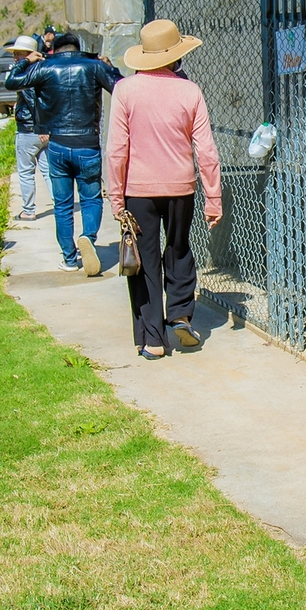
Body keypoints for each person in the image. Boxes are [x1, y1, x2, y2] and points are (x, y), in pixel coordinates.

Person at [107, 19, 221, 359]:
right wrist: (213, 198)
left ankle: (154, 340)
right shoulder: (190, 91)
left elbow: (116, 150)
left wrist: (116, 196)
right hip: (181, 187)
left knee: (143, 260)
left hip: (137, 189)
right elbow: (207, 151)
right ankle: (181, 313)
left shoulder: (125, 91)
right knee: (179, 247)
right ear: (175, 56)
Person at [8, 30, 121, 272]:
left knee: (63, 205)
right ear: (77, 48)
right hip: (87, 142)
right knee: (91, 198)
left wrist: (27, 61)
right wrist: (109, 67)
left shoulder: (44, 67)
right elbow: (122, 88)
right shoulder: (92, 66)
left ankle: (69, 258)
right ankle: (88, 238)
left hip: (57, 143)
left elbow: (11, 82)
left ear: (54, 50)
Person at [6, 34, 49, 222]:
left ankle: (28, 210)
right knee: (48, 170)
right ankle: (61, 203)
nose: (16, 58)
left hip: (29, 129)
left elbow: (32, 100)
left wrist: (40, 126)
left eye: (19, 55)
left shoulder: (26, 75)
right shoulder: (43, 71)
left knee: (25, 172)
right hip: (43, 130)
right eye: (15, 55)